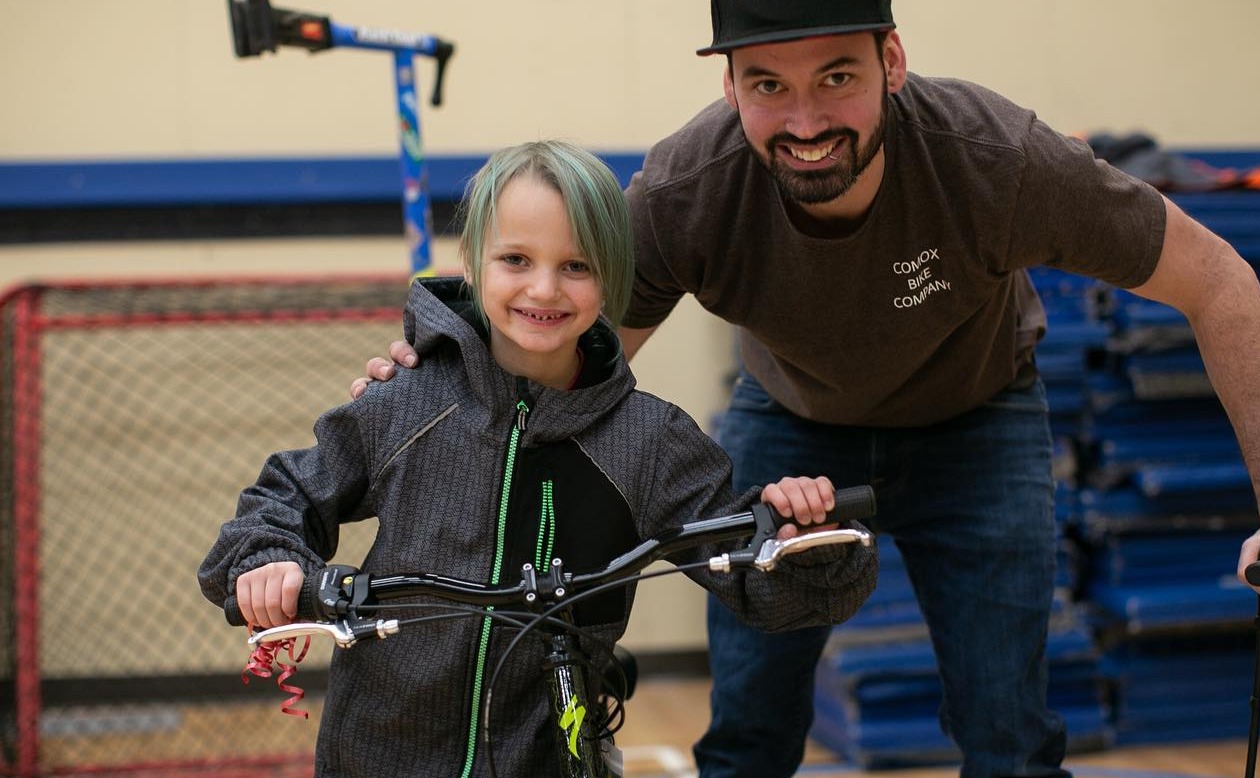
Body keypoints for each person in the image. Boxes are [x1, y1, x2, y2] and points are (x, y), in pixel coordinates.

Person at [354, 3, 1260, 777]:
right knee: (749, 723)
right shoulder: (689, 190)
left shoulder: (994, 161)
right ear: (732, 86)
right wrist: (432, 378)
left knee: (1008, 730)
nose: (803, 122)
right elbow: (555, 343)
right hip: (788, 426)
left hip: (982, 418)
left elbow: (1217, 280)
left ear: (892, 61)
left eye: (836, 77)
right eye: (766, 86)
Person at [199, 139, 877, 778]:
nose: (544, 290)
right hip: (377, 753)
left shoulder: (650, 441)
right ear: (472, 262)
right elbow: (275, 507)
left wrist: (806, 539)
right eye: (516, 260)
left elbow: (772, 589)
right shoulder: (405, 402)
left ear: (611, 277)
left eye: (576, 266)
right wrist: (269, 561)